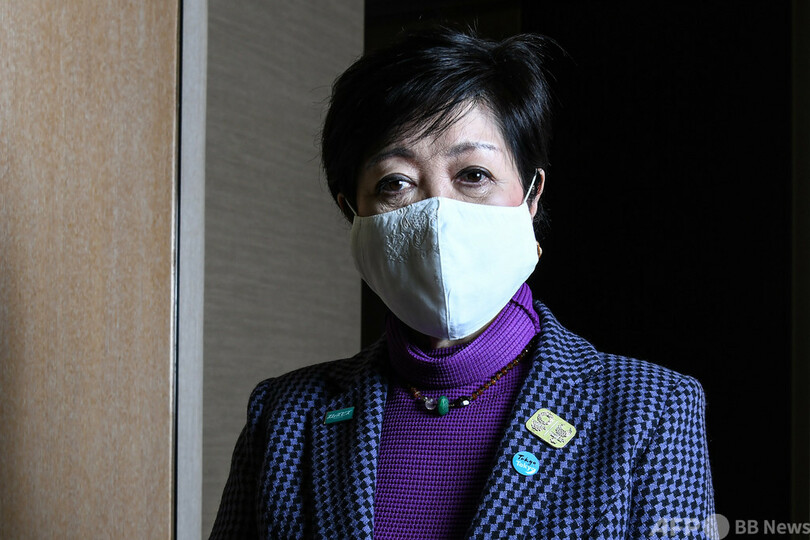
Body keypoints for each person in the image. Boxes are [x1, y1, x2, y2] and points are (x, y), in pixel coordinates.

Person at [210, 28, 716, 539]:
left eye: (473, 175)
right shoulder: (284, 416)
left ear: (532, 195)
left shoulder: (651, 410)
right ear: (353, 214)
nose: (438, 216)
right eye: (395, 183)